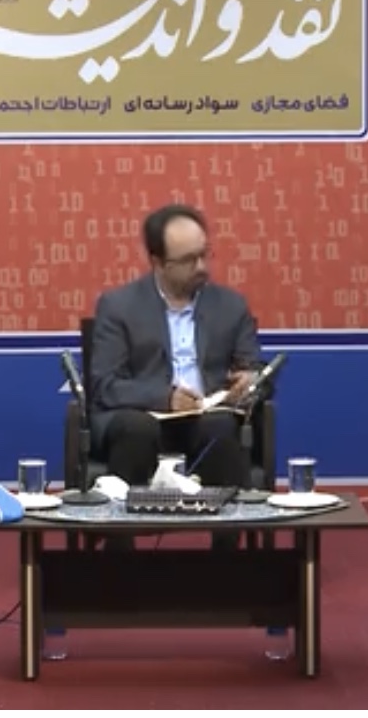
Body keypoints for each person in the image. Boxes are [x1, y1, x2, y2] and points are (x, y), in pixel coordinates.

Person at [87, 203, 263, 545]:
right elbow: (105, 385)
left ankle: (230, 561)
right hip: (142, 420)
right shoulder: (118, 306)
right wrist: (165, 399)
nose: (202, 267)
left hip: (207, 419)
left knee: (221, 426)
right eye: (188, 260)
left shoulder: (231, 306)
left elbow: (254, 369)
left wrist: (251, 383)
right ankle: (118, 557)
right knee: (136, 429)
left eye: (204, 255)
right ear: (157, 262)